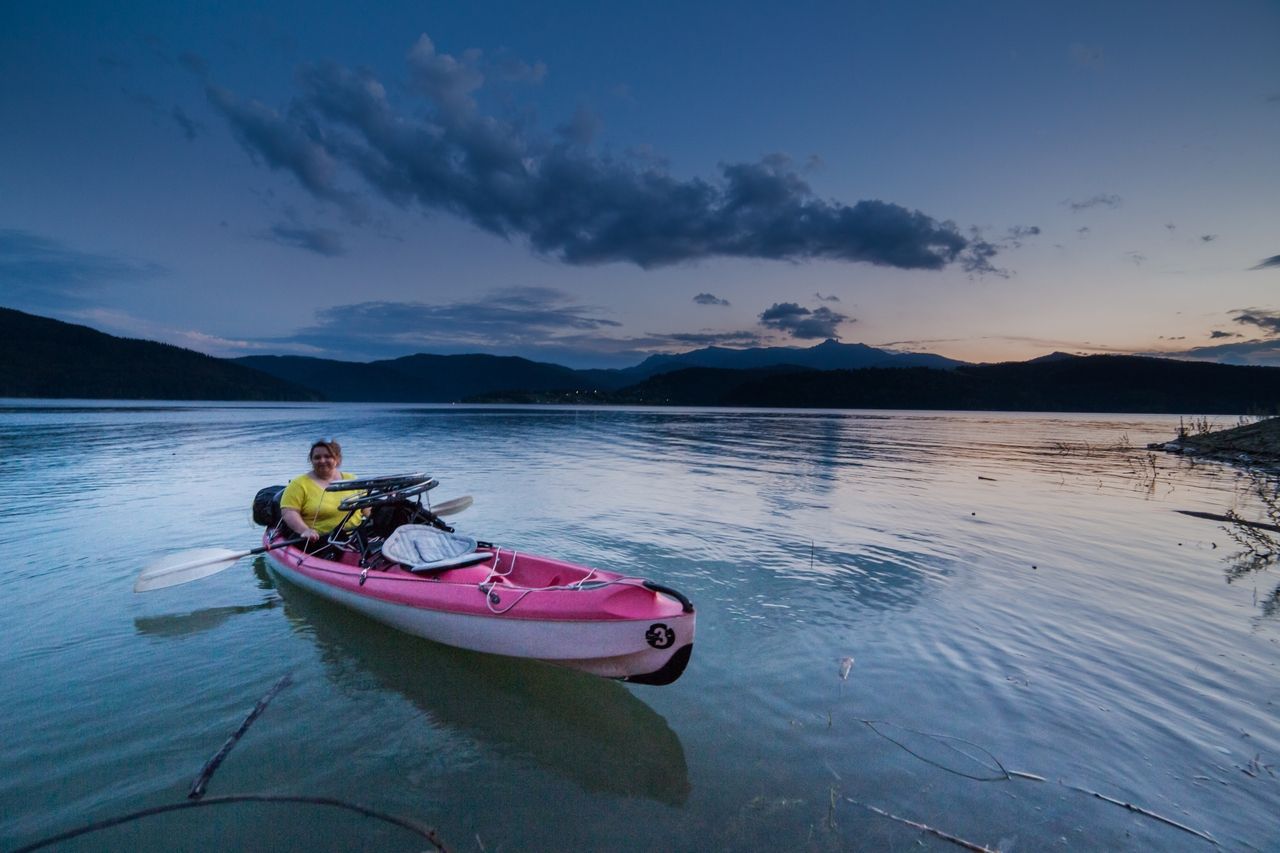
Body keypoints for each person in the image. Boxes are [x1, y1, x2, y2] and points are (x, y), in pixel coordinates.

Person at [280, 439, 365, 543]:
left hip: (355, 537)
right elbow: (289, 512)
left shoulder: (352, 479)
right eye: (317, 457)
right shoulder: (298, 484)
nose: (322, 461)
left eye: (327, 456)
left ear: (337, 459)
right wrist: (305, 530)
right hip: (319, 540)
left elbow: (367, 509)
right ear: (311, 460)